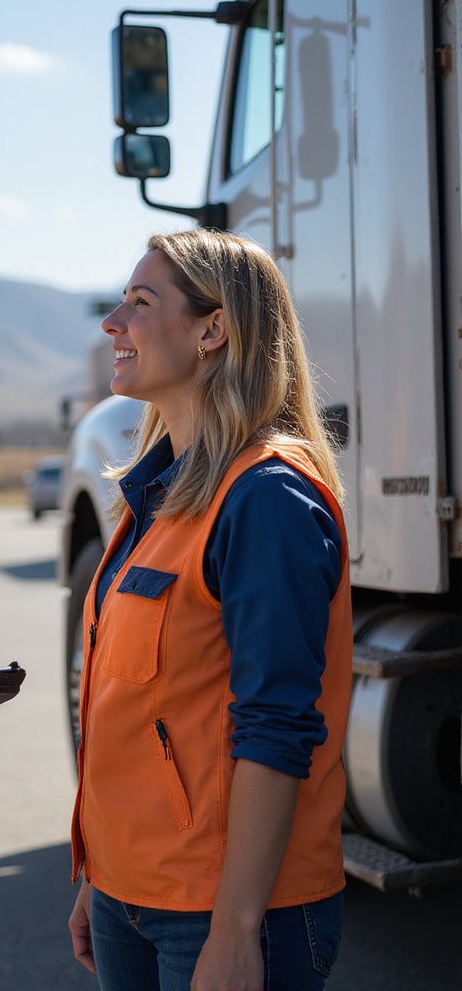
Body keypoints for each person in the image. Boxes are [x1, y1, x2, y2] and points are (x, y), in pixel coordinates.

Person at [67, 229, 351, 991]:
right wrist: (101, 876)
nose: (113, 322)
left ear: (213, 329)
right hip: (132, 895)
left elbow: (277, 725)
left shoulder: (267, 497)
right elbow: (138, 708)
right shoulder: (155, 497)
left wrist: (235, 932)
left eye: (141, 301)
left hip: (220, 914)